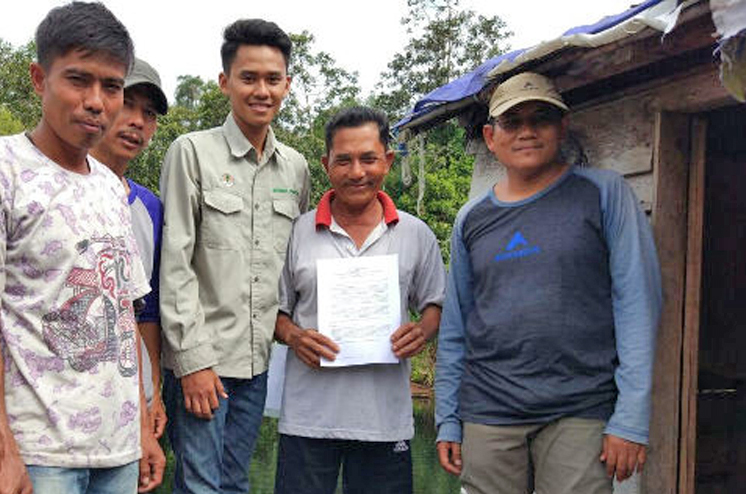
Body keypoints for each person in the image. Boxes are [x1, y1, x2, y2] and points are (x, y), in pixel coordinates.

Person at [0, 3, 163, 493]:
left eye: (111, 86)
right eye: (78, 80)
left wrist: (142, 426)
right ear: (40, 78)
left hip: (118, 452)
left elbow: (125, 316)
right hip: (39, 453)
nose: (97, 102)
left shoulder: (110, 186)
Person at [434, 72, 662, 494]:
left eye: (541, 117)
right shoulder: (472, 219)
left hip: (579, 408)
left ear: (562, 125)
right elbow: (455, 328)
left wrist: (631, 416)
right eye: (511, 121)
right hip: (489, 410)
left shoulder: (604, 194)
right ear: (490, 136)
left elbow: (638, 305)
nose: (527, 131)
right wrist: (447, 417)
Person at [158, 18, 310, 494]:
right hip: (204, 361)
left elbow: (293, 269)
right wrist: (192, 362)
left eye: (272, 78)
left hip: (257, 364)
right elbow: (175, 263)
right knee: (200, 485)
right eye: (249, 78)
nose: (261, 90)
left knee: (235, 482)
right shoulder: (191, 153)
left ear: (287, 84)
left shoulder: (296, 168)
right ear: (225, 82)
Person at [272, 106, 445, 494]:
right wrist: (295, 337)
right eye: (343, 160)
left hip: (384, 419)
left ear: (388, 159)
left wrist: (422, 331)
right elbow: (273, 312)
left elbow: (434, 303)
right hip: (308, 418)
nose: (356, 172)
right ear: (325, 164)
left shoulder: (416, 234)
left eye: (368, 158)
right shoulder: (296, 232)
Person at [90, 57, 170, 439]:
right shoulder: (49, 188)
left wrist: (153, 393)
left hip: (129, 401)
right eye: (127, 104)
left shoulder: (150, 206)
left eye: (149, 113)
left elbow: (146, 310)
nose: (137, 121)